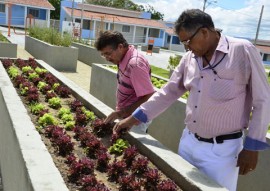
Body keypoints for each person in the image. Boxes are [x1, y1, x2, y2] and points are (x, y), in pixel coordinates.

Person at [112, 9, 270, 191]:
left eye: (188, 41)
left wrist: (252, 147)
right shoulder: (189, 59)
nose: (186, 47)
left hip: (222, 152)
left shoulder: (242, 51)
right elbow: (168, 92)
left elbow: (263, 100)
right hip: (188, 143)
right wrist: (133, 118)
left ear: (204, 32)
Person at [95, 31, 155, 132]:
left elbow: (149, 96)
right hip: (126, 115)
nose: (106, 58)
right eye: (103, 55)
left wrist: (121, 113)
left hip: (135, 120)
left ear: (120, 47)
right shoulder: (123, 58)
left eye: (108, 54)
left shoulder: (135, 64)